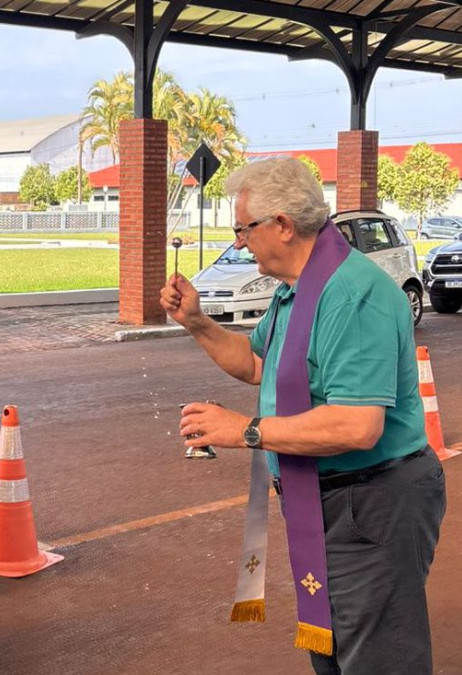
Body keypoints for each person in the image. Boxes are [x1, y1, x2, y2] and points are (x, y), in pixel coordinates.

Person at [160, 157, 446, 674]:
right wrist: (197, 322)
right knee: (333, 646)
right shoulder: (300, 289)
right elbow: (256, 364)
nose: (240, 243)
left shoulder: (351, 296)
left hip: (372, 501)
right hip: (327, 498)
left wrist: (245, 430)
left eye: (243, 229)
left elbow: (358, 425)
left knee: (376, 657)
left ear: (283, 226)